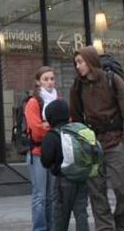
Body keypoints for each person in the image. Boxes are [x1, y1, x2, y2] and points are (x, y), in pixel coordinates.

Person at [68, 46, 124, 231]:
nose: (78, 66)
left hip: (116, 142)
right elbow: (75, 118)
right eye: (76, 63)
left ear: (91, 61)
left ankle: (121, 223)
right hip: (92, 145)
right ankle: (104, 228)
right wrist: (83, 143)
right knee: (96, 192)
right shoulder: (77, 86)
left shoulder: (112, 80)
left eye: (81, 62)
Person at [39, 99, 90, 231]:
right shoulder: (77, 131)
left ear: (50, 117)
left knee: (60, 216)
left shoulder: (51, 136)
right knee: (81, 214)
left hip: (62, 180)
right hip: (82, 178)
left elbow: (46, 161)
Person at [24, 65, 58, 231]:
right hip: (37, 153)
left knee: (51, 196)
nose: (50, 82)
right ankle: (40, 228)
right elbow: (37, 131)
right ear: (38, 82)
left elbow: (67, 122)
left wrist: (48, 125)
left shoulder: (58, 101)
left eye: (52, 78)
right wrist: (53, 127)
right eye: (46, 79)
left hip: (53, 154)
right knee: (40, 196)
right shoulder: (33, 102)